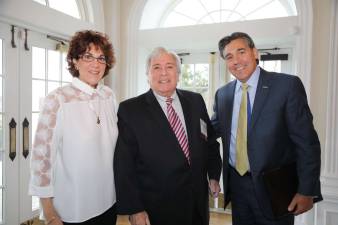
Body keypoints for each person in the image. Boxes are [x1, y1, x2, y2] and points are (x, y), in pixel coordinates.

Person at [211, 31, 322, 225]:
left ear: (255, 53)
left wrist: (307, 190)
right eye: (229, 57)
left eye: (241, 52)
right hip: (237, 187)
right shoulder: (223, 95)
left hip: (276, 188)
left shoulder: (286, 86)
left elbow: (307, 142)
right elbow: (211, 132)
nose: (236, 60)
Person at [114, 47, 222, 225]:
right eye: (156, 67)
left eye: (170, 67)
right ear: (147, 75)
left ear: (179, 73)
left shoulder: (195, 101)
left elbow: (209, 142)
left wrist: (214, 176)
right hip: (157, 210)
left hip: (198, 205)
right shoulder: (130, 110)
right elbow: (124, 165)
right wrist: (134, 209)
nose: (163, 73)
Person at [29, 30, 118, 225]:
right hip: (74, 208)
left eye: (101, 58)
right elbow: (42, 159)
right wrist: (50, 213)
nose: (96, 64)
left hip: (110, 202)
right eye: (88, 56)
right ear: (75, 61)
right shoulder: (57, 100)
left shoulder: (109, 96)